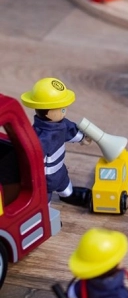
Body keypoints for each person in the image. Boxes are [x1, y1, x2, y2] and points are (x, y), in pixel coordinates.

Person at [20, 77, 91, 207]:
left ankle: (69, 195)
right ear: (48, 113)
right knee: (44, 198)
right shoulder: (41, 138)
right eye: (62, 109)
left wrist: (82, 138)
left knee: (64, 183)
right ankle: (45, 212)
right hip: (45, 179)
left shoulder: (61, 125)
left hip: (59, 170)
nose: (65, 111)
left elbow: (70, 130)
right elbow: (32, 157)